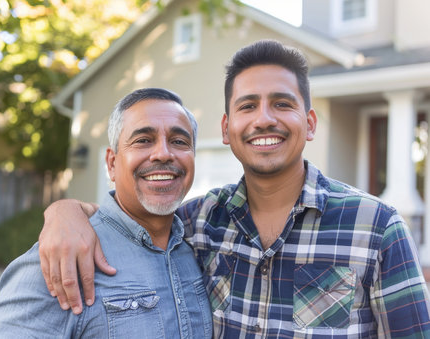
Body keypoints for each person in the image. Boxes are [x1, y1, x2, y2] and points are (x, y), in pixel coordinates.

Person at [38, 40, 430, 338]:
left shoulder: (376, 227)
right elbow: (132, 214)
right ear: (226, 129)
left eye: (281, 103)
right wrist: (65, 211)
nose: (264, 119)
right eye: (247, 106)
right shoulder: (196, 222)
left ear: (309, 123)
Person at [0, 88, 212, 338]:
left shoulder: (200, 248)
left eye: (179, 141)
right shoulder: (60, 261)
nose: (163, 153)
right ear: (112, 164)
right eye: (143, 140)